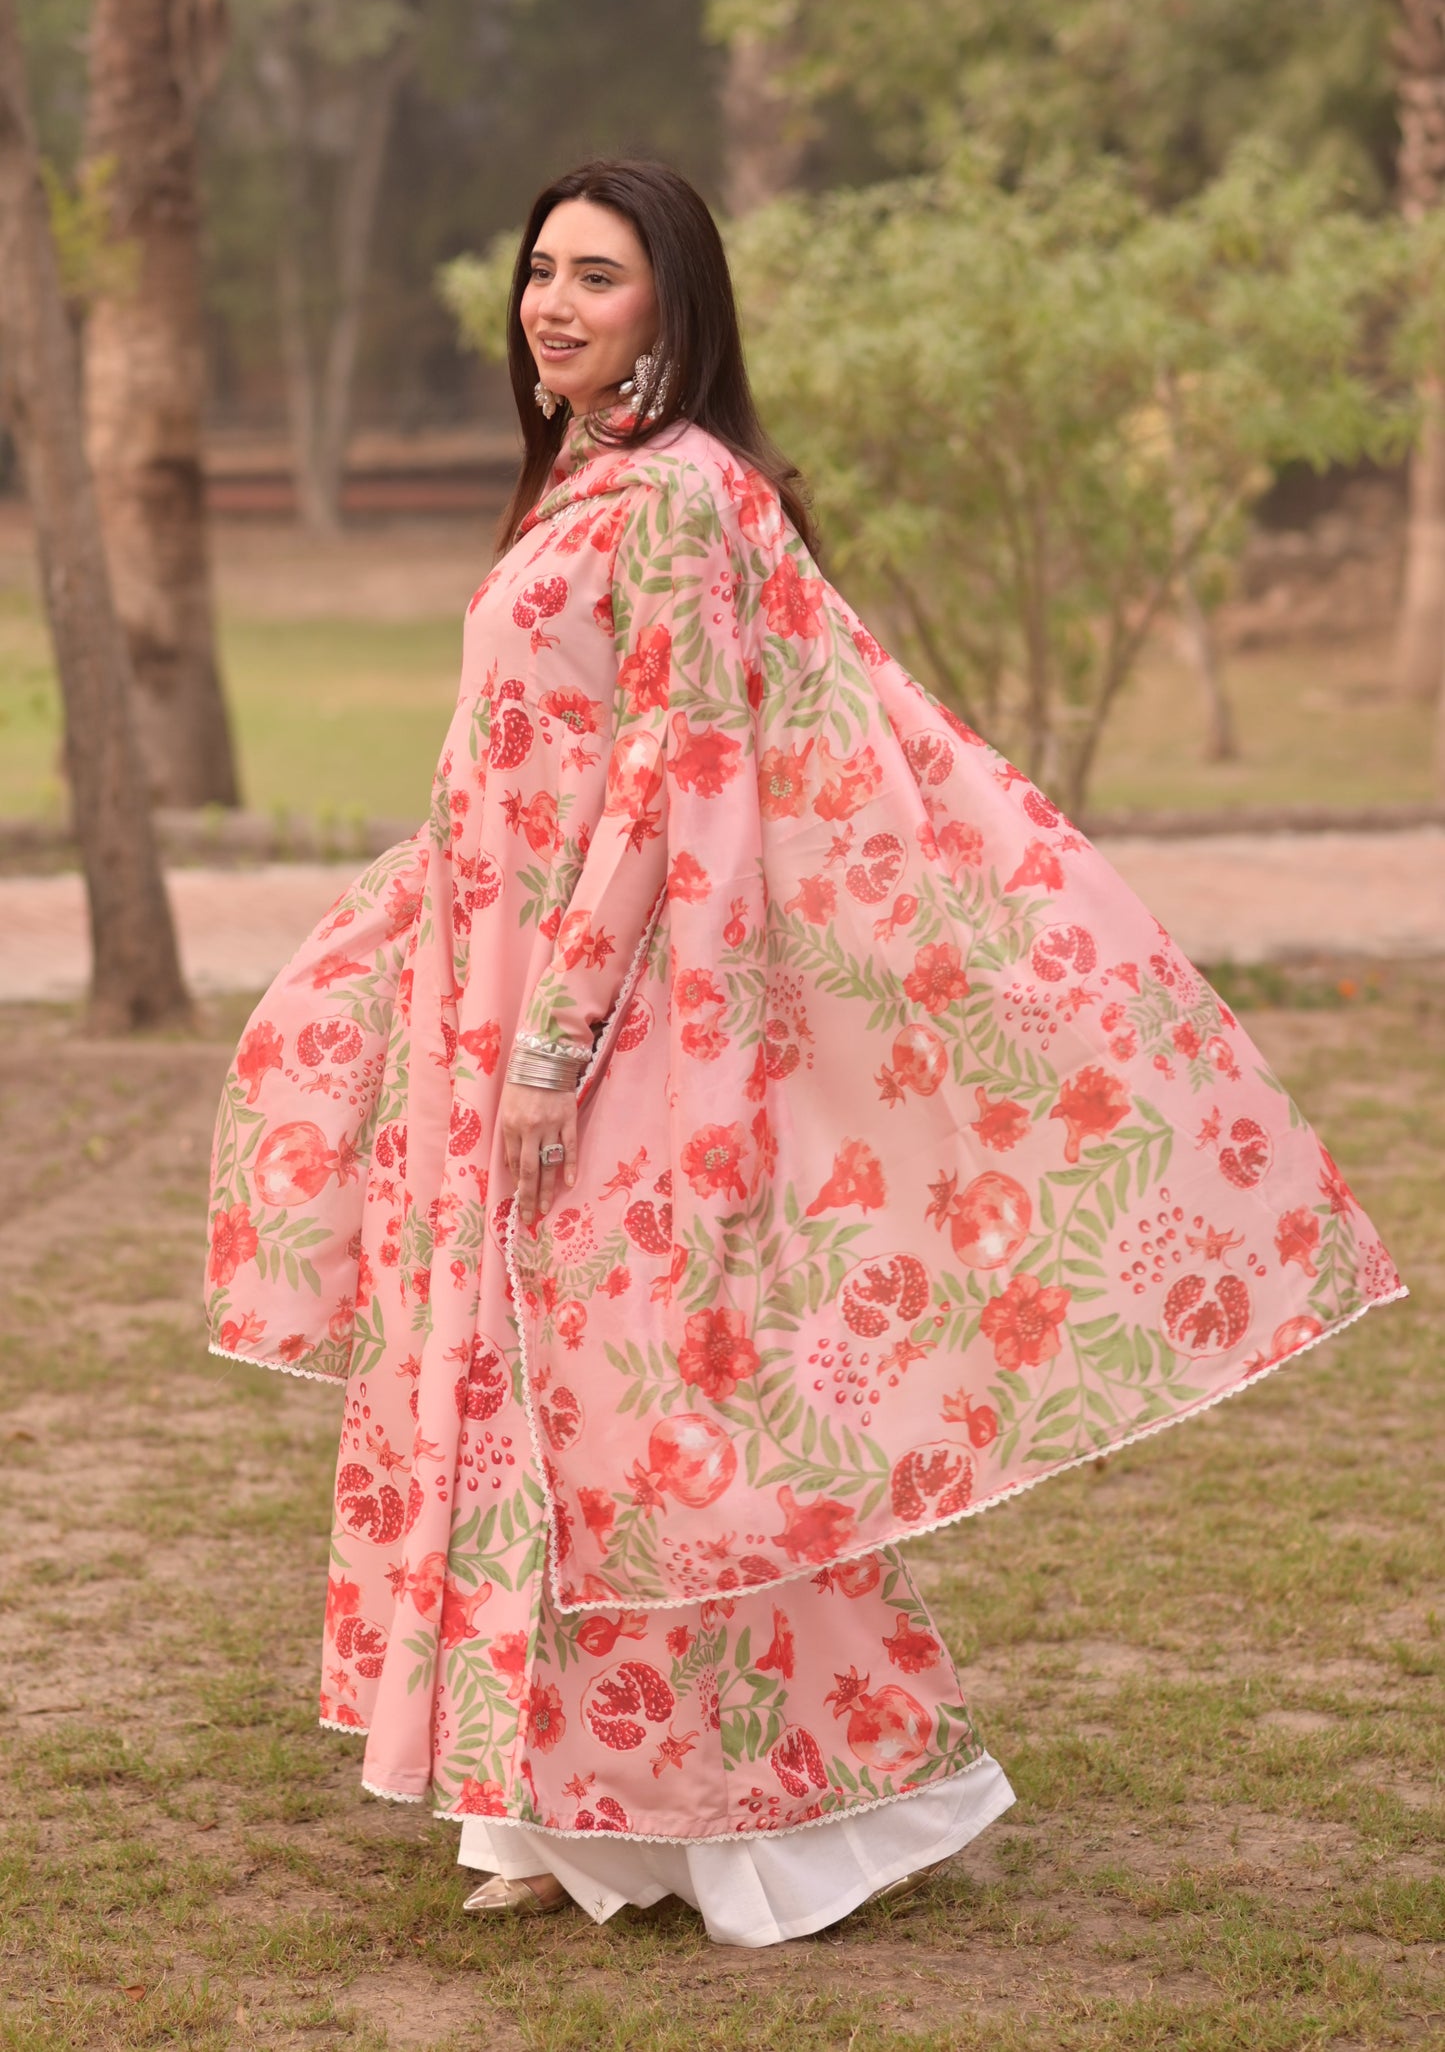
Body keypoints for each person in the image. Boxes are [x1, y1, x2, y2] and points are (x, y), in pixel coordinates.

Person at [204, 158, 1404, 1947]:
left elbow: (671, 782)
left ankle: (786, 1804)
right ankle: (567, 1807)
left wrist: (554, 1041)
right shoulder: (596, 482)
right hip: (498, 996)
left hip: (593, 1025)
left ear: (672, 306)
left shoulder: (679, 493)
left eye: (593, 277)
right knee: (542, 1393)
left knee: (645, 1413)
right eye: (540, 272)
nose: (551, 304)